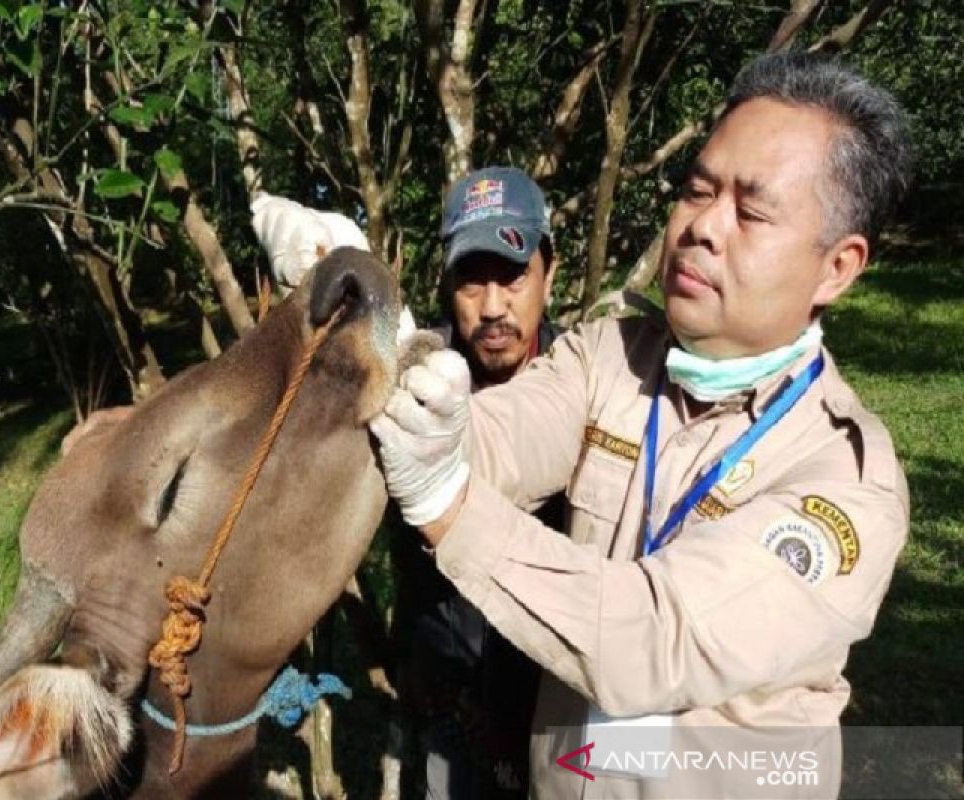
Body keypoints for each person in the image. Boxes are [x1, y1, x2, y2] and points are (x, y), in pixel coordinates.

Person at [369, 52, 913, 799]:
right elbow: (493, 436)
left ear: (838, 268)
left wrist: (445, 505)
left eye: (751, 212)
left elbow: (656, 637)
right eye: (696, 190)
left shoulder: (845, 480)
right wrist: (387, 372)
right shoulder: (610, 356)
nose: (701, 228)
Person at [387, 167, 561, 800]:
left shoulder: (588, 379)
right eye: (471, 279)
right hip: (447, 680)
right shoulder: (412, 380)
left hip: (556, 693)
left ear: (549, 269)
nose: (492, 307)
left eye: (511, 275)